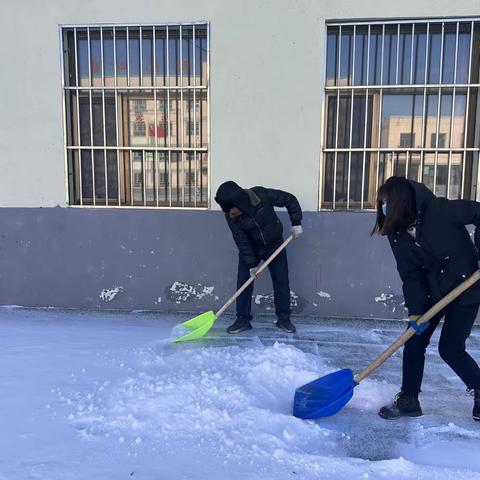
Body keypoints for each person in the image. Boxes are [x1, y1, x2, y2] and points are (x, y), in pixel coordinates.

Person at [372, 176, 480, 421]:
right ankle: (409, 399)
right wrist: (416, 310)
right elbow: (410, 273)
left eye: (387, 202)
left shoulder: (440, 209)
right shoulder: (396, 231)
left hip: (467, 286)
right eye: (381, 203)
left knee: (450, 349)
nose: (383, 208)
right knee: (414, 338)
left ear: (402, 201)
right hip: (433, 291)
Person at [215, 181, 303, 334]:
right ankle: (242, 320)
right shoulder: (231, 215)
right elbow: (241, 239)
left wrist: (296, 222)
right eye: (228, 211)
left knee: (281, 281)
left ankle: (284, 319)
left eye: (233, 209)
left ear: (240, 201)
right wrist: (250, 264)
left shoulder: (261, 195)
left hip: (275, 244)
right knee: (244, 282)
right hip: (251, 249)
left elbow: (289, 199)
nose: (231, 213)